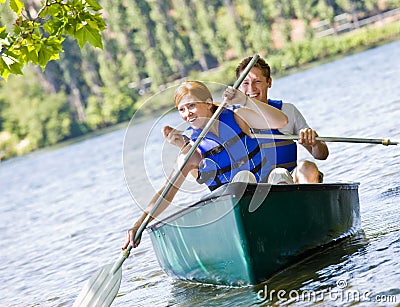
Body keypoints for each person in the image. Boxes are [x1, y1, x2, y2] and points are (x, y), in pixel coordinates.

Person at [123, 80, 288, 249]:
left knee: (279, 173)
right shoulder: (191, 152)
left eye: (191, 106)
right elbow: (167, 192)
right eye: (182, 109)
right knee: (242, 179)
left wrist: (245, 100)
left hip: (269, 196)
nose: (187, 114)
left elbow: (280, 121)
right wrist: (138, 225)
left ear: (208, 103)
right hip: (237, 214)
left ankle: (287, 223)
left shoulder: (237, 116)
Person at [235, 56, 329, 183]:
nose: (251, 88)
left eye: (257, 81)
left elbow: (322, 155)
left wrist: (314, 143)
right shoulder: (231, 117)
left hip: (287, 183)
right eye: (245, 83)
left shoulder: (287, 110)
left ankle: (307, 200)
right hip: (254, 190)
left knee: (307, 168)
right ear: (239, 87)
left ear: (269, 82)